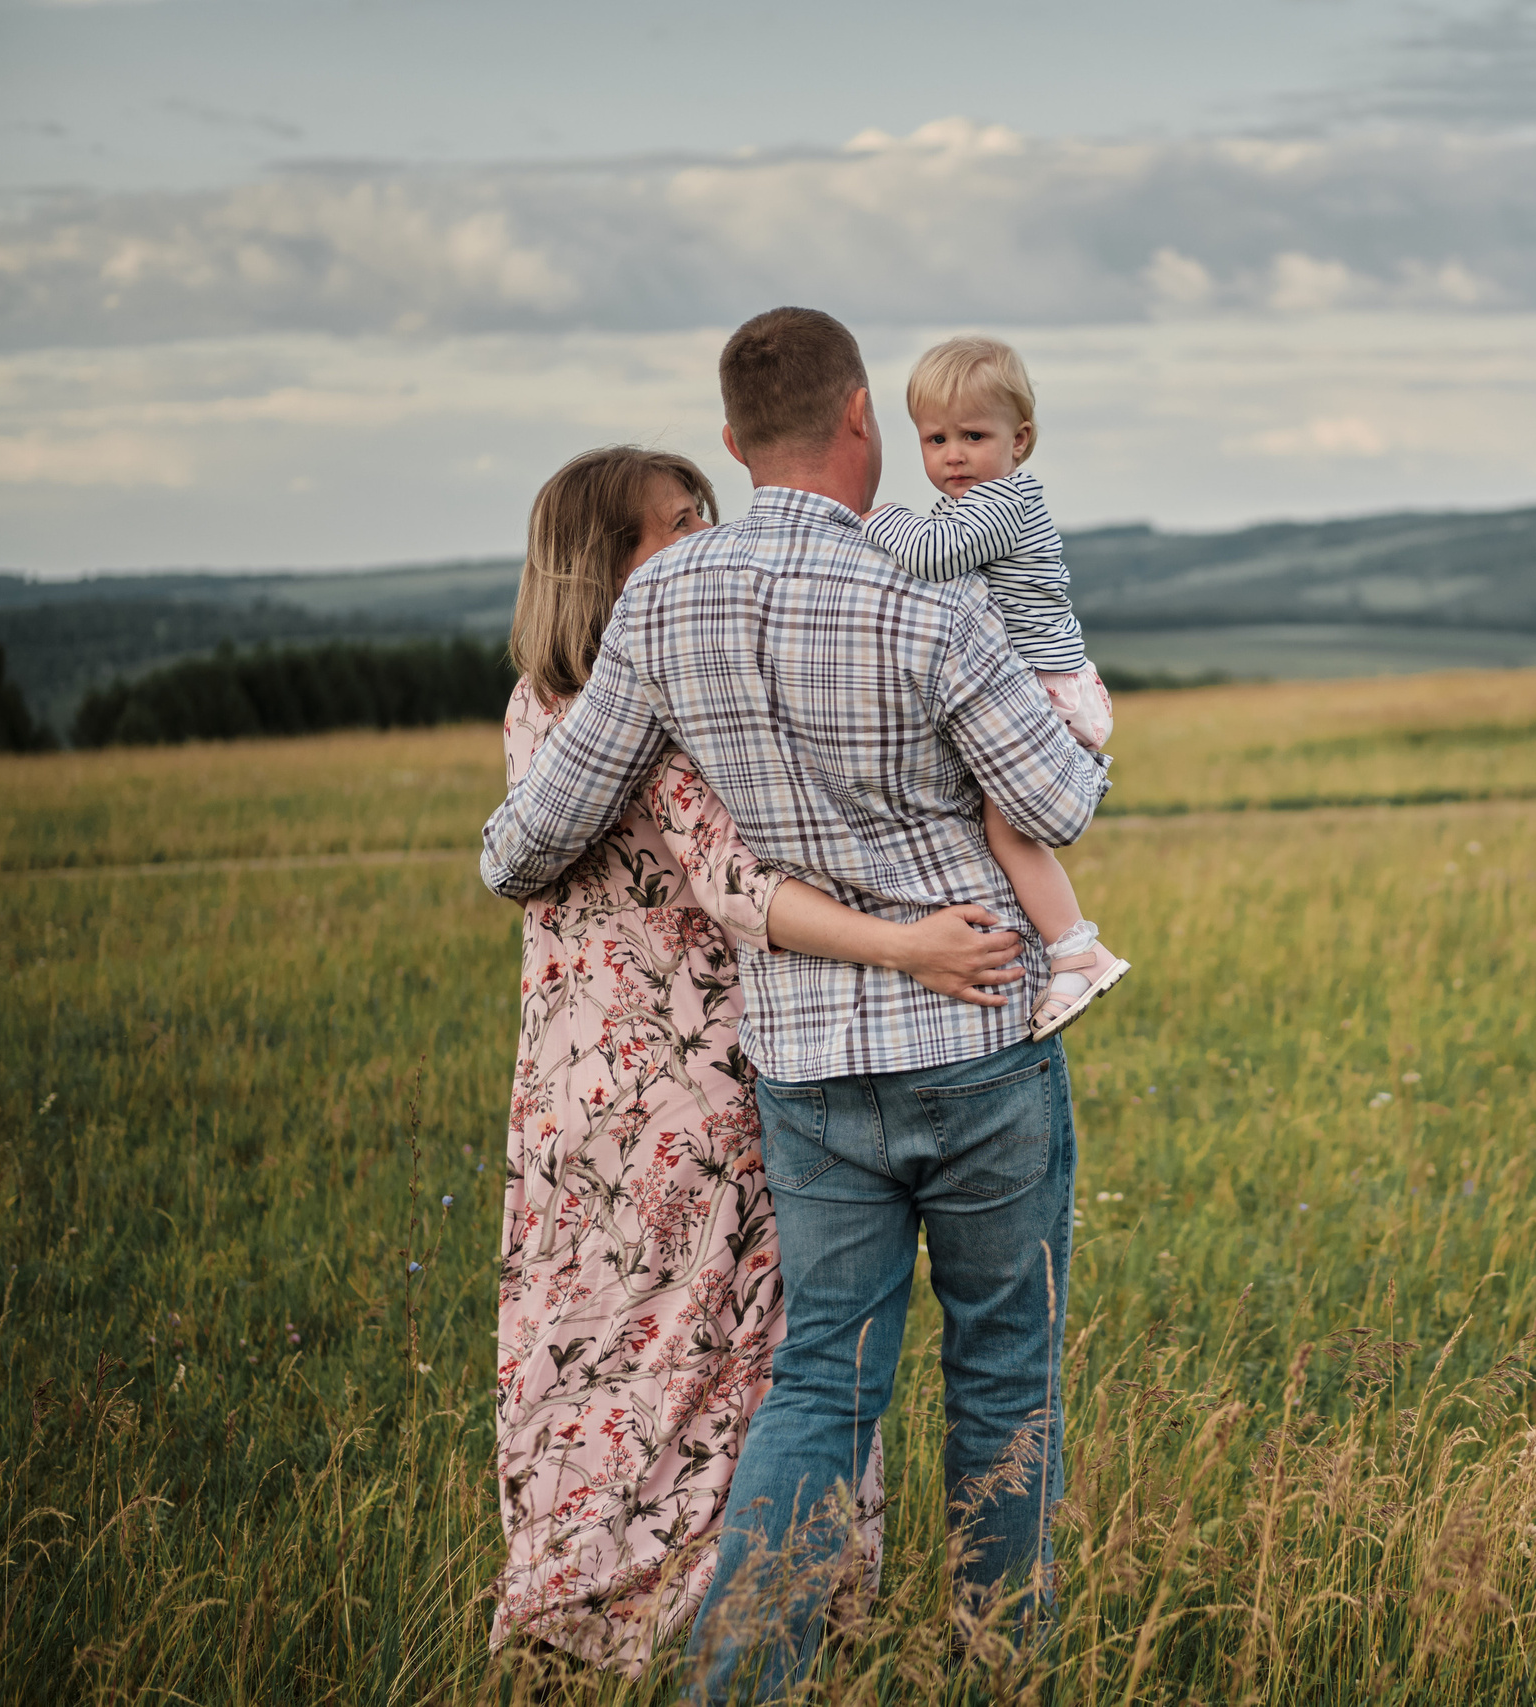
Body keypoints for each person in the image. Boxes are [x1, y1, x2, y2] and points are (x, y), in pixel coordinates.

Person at [480, 308, 1109, 1702]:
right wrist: (1074, 715)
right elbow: (1060, 801)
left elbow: (538, 832)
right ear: (863, 421)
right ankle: (1003, 1675)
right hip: (977, 1028)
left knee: (822, 1377)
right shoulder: (926, 600)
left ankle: (734, 1682)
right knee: (1004, 1378)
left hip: (805, 1068)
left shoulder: (658, 607)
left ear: (731, 440)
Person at [865, 337, 1130, 1040]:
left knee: (1006, 831)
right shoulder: (976, 505)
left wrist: (873, 515)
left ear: (1021, 440)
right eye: (936, 437)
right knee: (994, 824)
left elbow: (925, 555)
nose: (953, 454)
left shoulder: (1001, 503)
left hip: (1044, 688)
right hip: (1041, 681)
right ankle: (1064, 945)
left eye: (974, 436)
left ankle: (1076, 950)